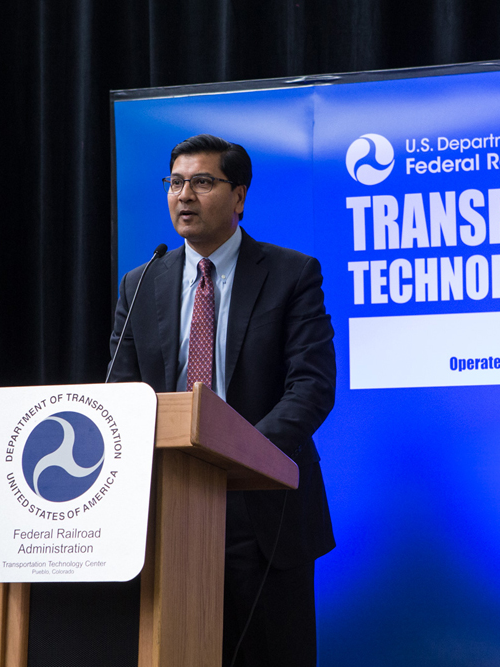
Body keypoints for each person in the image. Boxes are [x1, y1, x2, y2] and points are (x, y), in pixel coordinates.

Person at [107, 134, 336, 666]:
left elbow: (312, 387)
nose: (184, 195)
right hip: (169, 511)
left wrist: (237, 454)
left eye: (202, 182)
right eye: (176, 183)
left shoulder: (291, 274)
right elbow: (121, 396)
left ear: (239, 196)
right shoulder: (140, 283)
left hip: (262, 509)